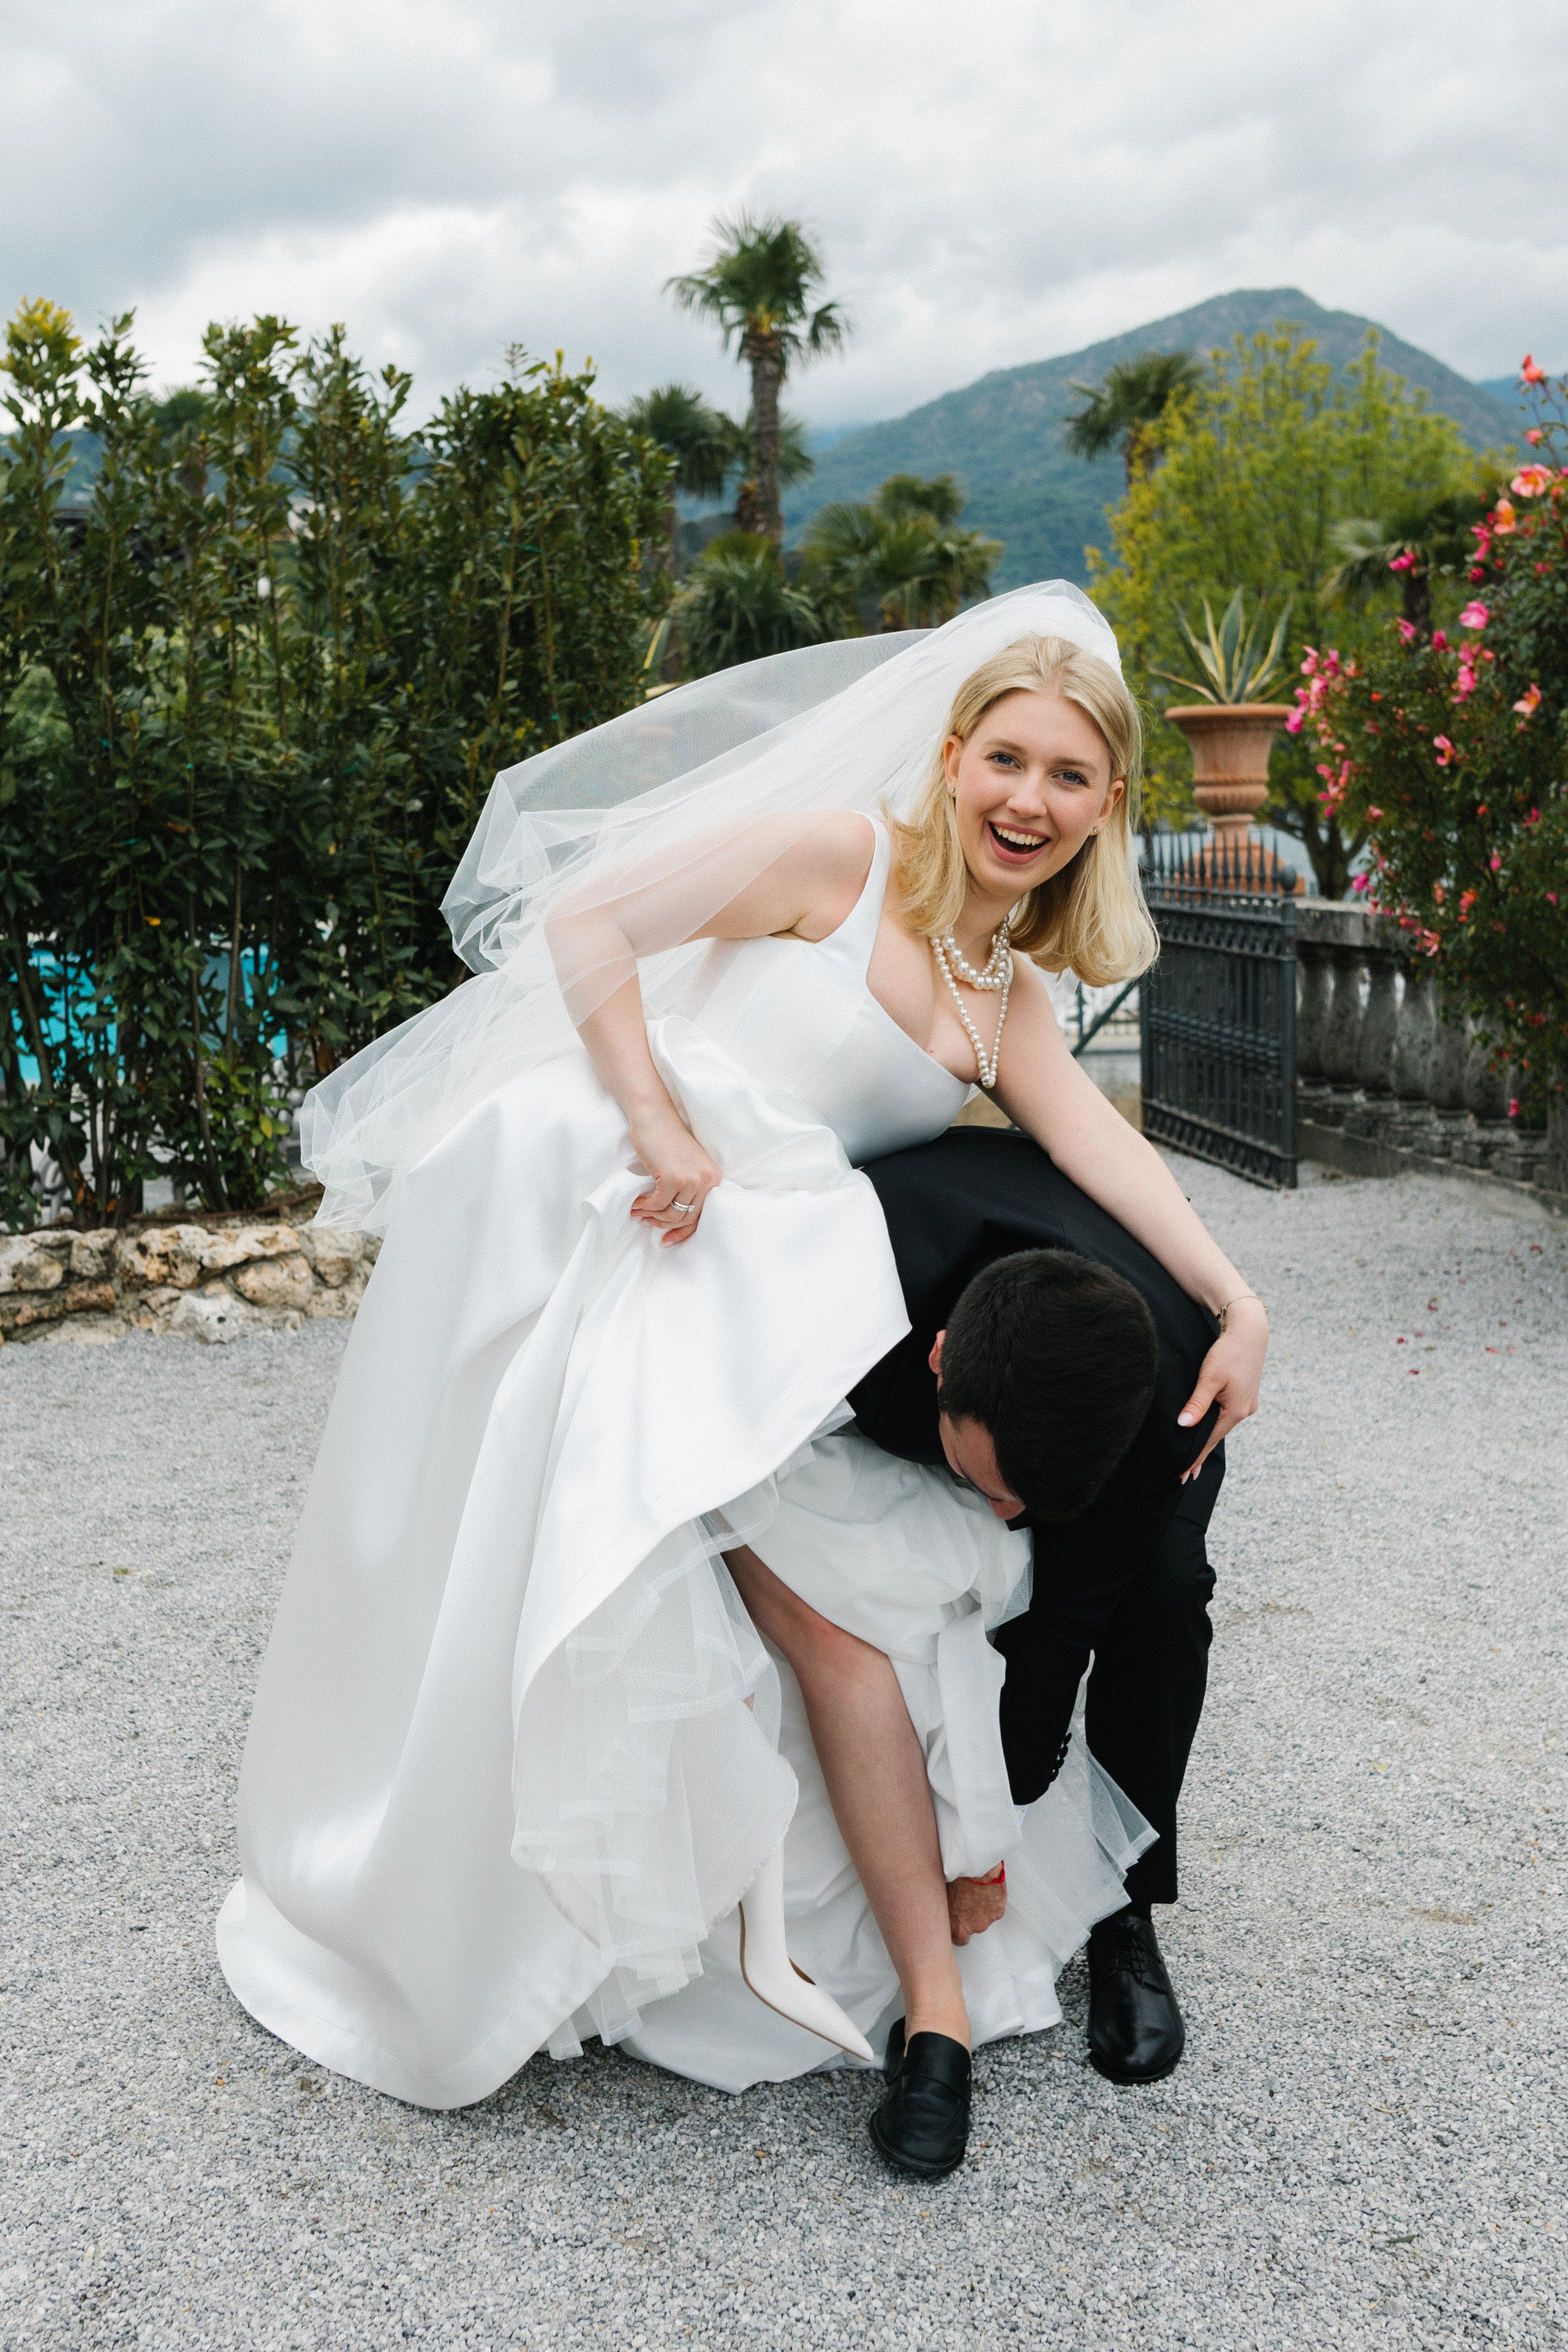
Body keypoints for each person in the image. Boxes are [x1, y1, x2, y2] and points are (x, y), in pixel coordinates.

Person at [215, 584, 1267, 2173]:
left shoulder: (1009, 996)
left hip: (764, 1278)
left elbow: (1101, 1151)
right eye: (1006, 759)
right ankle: (511, 1911)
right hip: (627, 1203)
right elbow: (588, 922)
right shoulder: (840, 861)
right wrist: (657, 1126)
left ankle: (917, 2002)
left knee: (853, 1622)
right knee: (649, 1590)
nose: (1028, 800)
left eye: (1067, 776)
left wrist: (1239, 1299)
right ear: (954, 756)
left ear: (1107, 805)